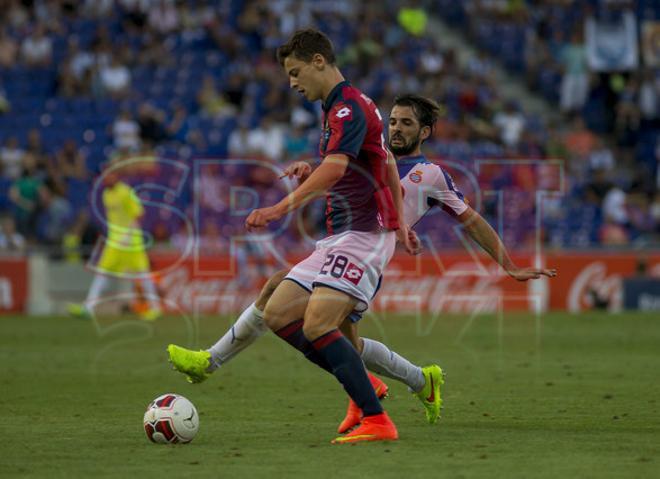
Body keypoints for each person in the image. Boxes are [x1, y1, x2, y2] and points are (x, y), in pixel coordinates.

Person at [168, 92, 557, 440]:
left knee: (323, 330)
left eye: (407, 123)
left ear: (425, 132)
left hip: (366, 252)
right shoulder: (367, 154)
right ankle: (418, 381)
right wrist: (309, 168)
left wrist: (508, 265)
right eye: (392, 121)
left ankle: (382, 391)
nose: (397, 128)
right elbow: (339, 175)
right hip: (339, 244)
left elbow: (471, 219)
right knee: (312, 320)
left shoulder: (431, 175)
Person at [67, 164, 161, 321]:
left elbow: (138, 214)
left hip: (131, 241)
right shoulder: (106, 194)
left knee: (143, 274)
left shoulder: (126, 192)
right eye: (104, 176)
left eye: (109, 175)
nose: (106, 179)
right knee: (102, 273)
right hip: (114, 242)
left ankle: (155, 308)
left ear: (116, 176)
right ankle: (88, 308)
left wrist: (128, 235)